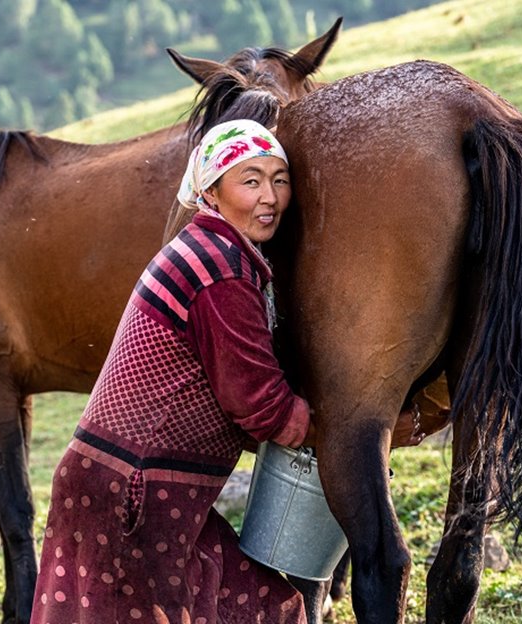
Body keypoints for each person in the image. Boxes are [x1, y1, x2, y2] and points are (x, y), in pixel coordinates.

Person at [31, 119, 313, 624]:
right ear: (211, 189)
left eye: (279, 179)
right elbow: (259, 406)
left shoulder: (215, 251)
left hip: (129, 485)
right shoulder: (219, 268)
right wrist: (350, 430)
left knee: (265, 609)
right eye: (250, 180)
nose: (269, 196)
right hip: (133, 494)